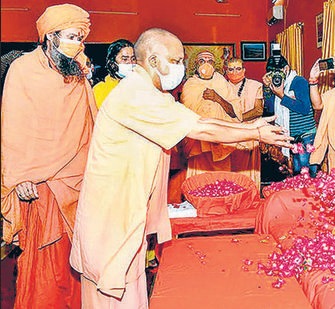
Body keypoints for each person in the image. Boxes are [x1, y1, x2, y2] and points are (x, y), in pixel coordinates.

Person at [69, 28, 292, 308]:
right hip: (113, 209)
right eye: (175, 61)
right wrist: (254, 134)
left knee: (131, 287)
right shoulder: (136, 95)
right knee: (112, 290)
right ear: (152, 61)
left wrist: (249, 126)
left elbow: (195, 119)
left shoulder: (152, 92)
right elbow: (200, 126)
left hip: (129, 206)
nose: (181, 68)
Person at [1, 4, 96, 308]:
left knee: (79, 264)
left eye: (81, 38)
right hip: (40, 186)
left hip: (78, 183)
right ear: (50, 36)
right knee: (44, 271)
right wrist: (18, 179)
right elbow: (14, 128)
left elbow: (88, 124)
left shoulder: (78, 71)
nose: (77, 44)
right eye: (71, 36)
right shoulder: (23, 70)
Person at [180, 50, 245, 179]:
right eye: (202, 61)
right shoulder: (190, 85)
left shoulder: (222, 82)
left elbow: (235, 113)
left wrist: (218, 98)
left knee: (222, 181)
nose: (206, 64)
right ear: (195, 65)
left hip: (221, 141)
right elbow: (187, 113)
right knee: (199, 181)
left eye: (210, 61)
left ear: (215, 65)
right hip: (199, 143)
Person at [263, 54, 317, 176]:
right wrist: (268, 89)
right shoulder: (274, 85)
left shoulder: (299, 82)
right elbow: (270, 109)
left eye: (278, 72)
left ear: (286, 69)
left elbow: (304, 109)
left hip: (305, 134)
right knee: (296, 171)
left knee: (306, 172)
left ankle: (310, 195)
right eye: (271, 73)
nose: (275, 76)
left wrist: (282, 95)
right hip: (290, 135)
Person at [225, 57, 264, 188]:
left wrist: (238, 119)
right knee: (230, 172)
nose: (234, 72)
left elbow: (258, 110)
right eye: (231, 69)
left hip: (250, 133)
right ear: (226, 71)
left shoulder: (255, 85)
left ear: (244, 70)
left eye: (238, 69)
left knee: (249, 173)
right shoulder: (221, 87)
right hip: (228, 135)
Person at [93, 39, 137, 108]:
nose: (130, 63)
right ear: (112, 63)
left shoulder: (141, 86)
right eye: (125, 59)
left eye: (133, 59)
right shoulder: (100, 90)